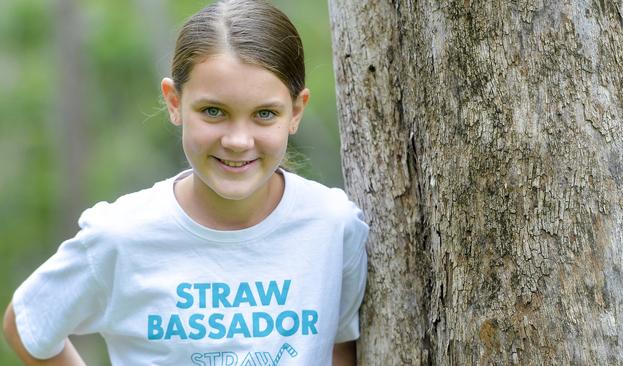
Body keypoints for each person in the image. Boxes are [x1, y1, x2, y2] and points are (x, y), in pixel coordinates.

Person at [2, 0, 369, 365]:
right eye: (213, 111)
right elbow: (27, 324)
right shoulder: (121, 235)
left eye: (264, 114)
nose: (238, 141)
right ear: (174, 102)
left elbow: (341, 344)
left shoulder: (333, 226)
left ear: (296, 111)